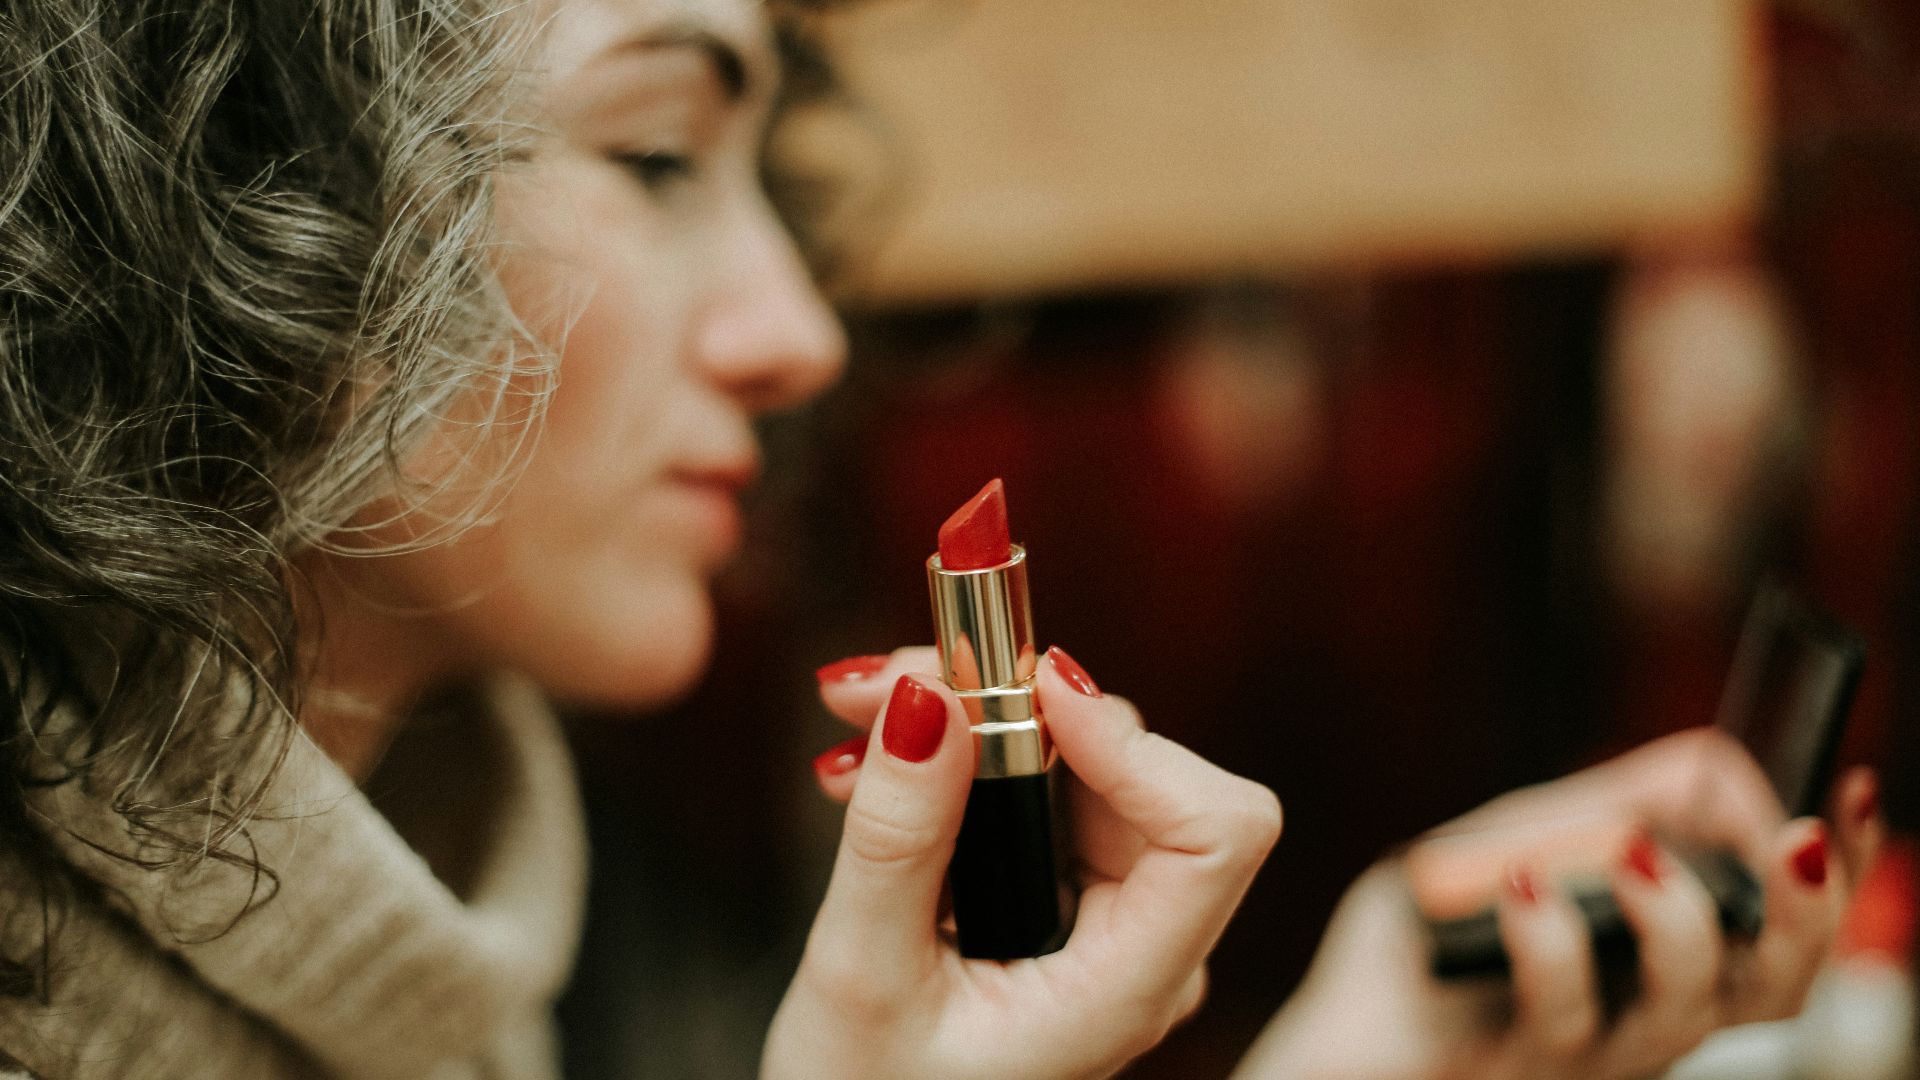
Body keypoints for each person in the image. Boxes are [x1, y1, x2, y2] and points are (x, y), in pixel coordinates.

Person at [0, 0, 1880, 1078]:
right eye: (655, 156)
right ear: (234, 181)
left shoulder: (454, 949)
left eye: (758, 175)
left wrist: (1376, 1038)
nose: (801, 330)